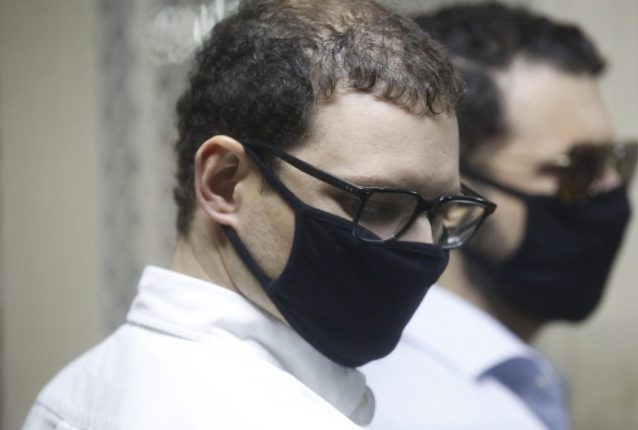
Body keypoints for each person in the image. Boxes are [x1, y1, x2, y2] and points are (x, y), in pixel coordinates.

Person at [22, 1, 497, 429]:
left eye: (440, 211)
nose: (423, 246)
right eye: (377, 205)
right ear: (224, 183)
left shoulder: (72, 395)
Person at [362, 3, 638, 430]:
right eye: (578, 169)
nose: (612, 191)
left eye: (615, 161)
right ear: (453, 195)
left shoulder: (515, 379)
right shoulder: (409, 408)